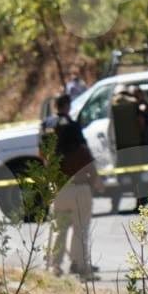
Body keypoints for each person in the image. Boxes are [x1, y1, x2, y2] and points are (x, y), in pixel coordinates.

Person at [42, 93, 98, 278]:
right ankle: (80, 265)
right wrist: (96, 179)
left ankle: (55, 266)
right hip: (77, 184)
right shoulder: (73, 128)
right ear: (67, 105)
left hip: (58, 186)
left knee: (60, 228)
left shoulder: (46, 125)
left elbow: (41, 153)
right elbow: (84, 153)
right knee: (80, 229)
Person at [108, 83, 148, 213]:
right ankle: (140, 202)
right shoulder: (134, 103)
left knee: (119, 178)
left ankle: (114, 205)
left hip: (120, 147)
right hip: (134, 146)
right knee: (136, 177)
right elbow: (141, 122)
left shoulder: (112, 103)